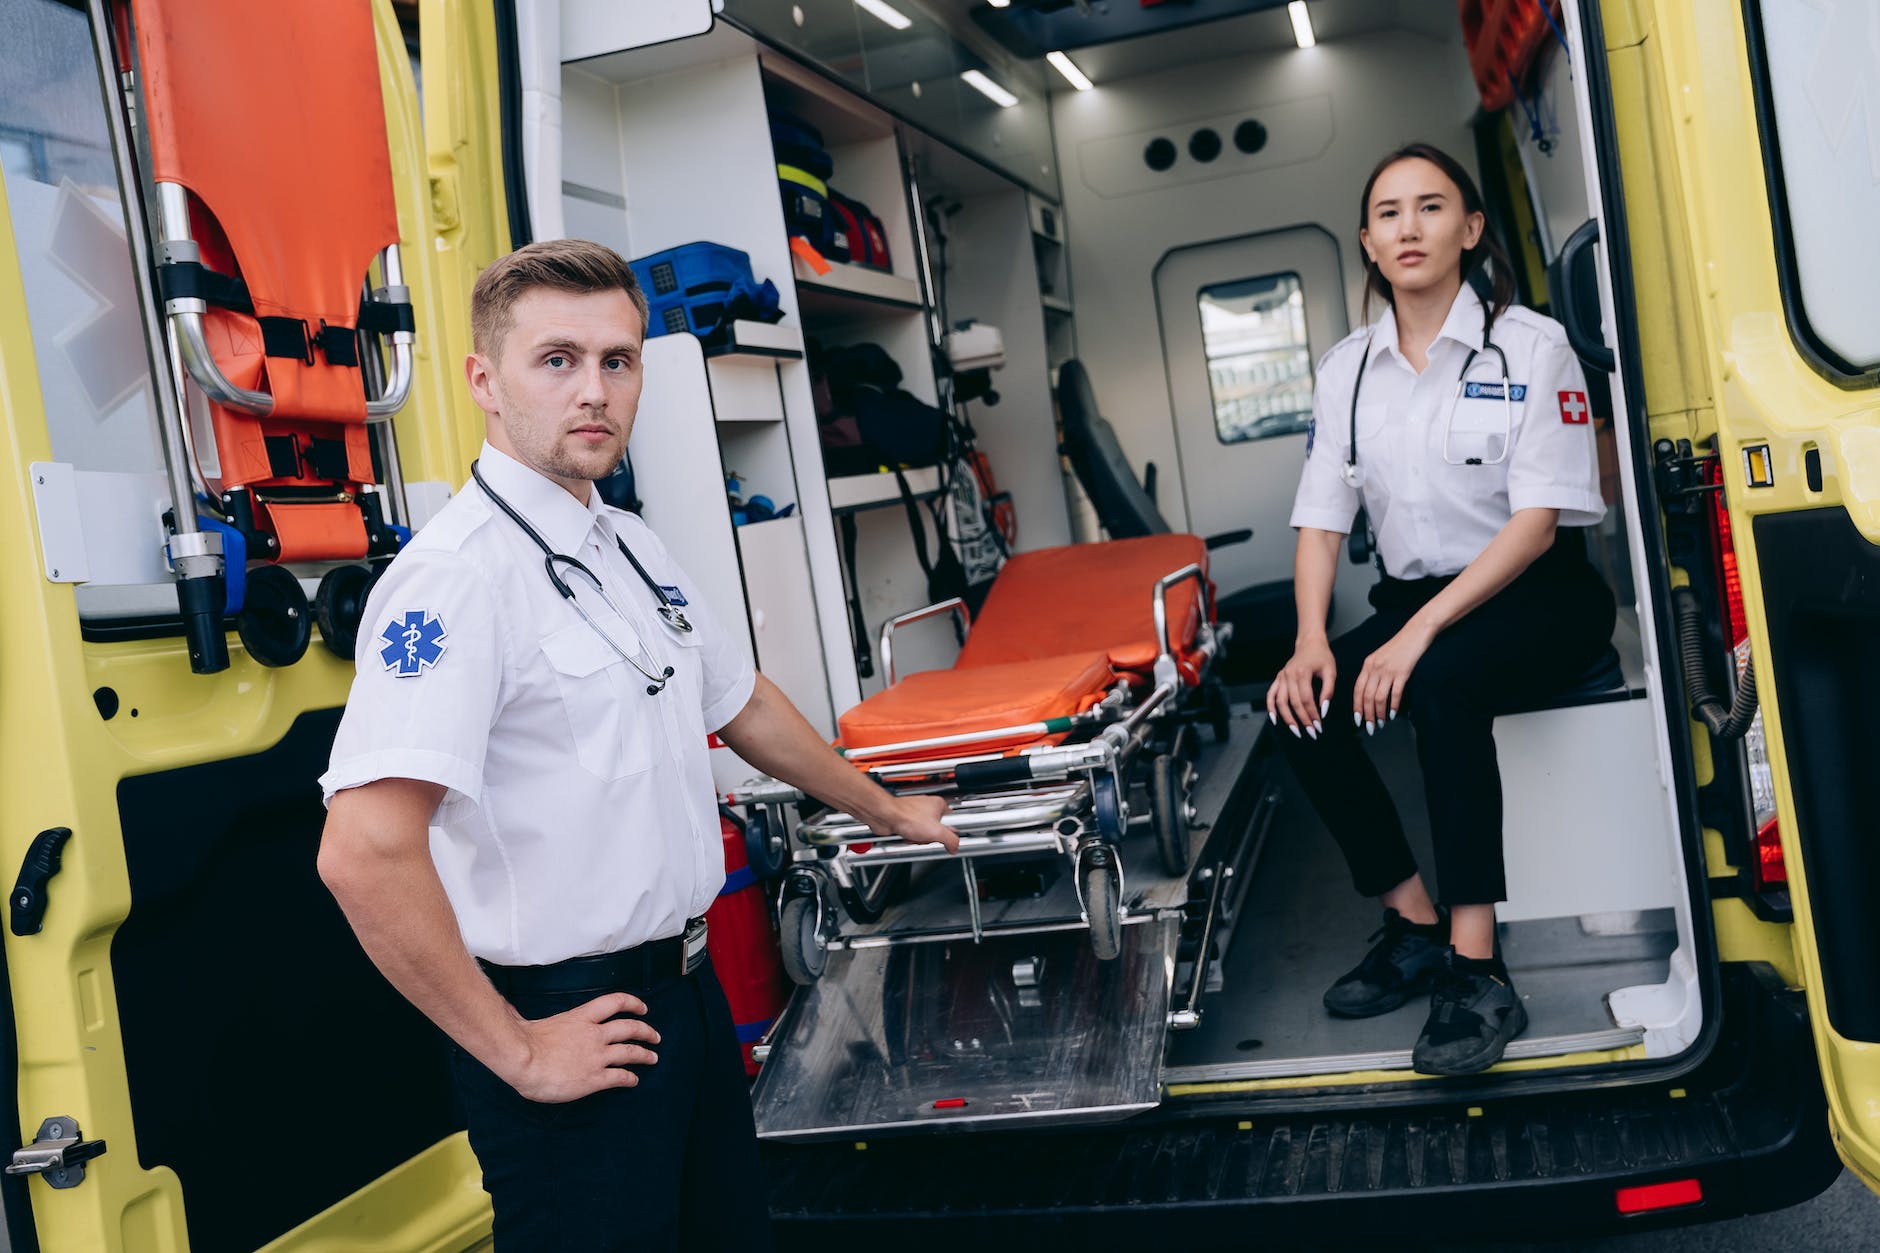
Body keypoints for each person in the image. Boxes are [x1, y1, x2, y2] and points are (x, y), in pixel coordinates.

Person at [316, 238, 956, 1250]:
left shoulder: (627, 546)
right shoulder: (457, 579)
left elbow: (739, 702)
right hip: (567, 1013)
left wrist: (883, 807)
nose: (595, 390)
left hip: (689, 997)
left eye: (618, 361)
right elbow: (362, 850)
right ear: (485, 381)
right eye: (557, 359)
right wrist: (517, 1050)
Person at [1265, 143, 1615, 1076]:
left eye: (1430, 207)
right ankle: (1411, 919)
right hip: (1417, 597)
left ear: (1470, 230)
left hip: (1534, 593)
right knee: (1297, 712)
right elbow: (1320, 519)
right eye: (1388, 212)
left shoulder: (1532, 347)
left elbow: (1537, 525)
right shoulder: (1346, 372)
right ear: (1369, 244)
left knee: (1443, 683)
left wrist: (1418, 636)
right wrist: (1308, 643)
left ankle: (1476, 965)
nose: (1408, 226)